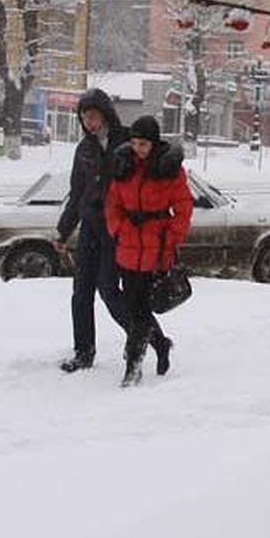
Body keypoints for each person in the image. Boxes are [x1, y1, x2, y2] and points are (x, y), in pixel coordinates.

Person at [104, 115, 194, 387]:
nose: (138, 148)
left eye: (143, 143)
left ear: (153, 143)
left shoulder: (169, 169)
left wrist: (171, 239)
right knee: (134, 308)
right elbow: (113, 203)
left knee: (139, 309)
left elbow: (184, 207)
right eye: (134, 143)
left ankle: (133, 365)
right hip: (129, 247)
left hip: (156, 248)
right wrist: (118, 229)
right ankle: (161, 343)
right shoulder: (124, 165)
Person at [55, 87, 137, 373]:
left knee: (109, 290)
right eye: (84, 117)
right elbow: (76, 193)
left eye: (93, 116)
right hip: (90, 228)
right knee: (81, 293)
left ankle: (141, 334)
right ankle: (83, 353)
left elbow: (152, 161)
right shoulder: (84, 149)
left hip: (117, 230)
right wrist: (63, 231)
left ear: (104, 113)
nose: (89, 122)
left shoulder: (126, 141)